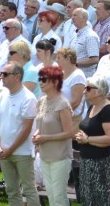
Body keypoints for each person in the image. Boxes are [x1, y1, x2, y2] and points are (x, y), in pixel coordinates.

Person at [0, 62, 41, 206]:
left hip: (22, 153)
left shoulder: (28, 98)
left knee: (29, 190)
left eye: (5, 74)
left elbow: (26, 129)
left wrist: (10, 149)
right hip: (4, 151)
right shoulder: (1, 96)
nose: (1, 77)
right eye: (2, 73)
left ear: (17, 76)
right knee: (11, 190)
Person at [33, 65, 75, 206]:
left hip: (60, 156)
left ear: (55, 82)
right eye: (39, 79)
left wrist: (45, 138)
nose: (40, 82)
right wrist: (37, 135)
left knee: (58, 196)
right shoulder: (41, 102)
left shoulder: (62, 104)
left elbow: (69, 132)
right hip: (45, 155)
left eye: (44, 79)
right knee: (51, 195)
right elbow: (41, 125)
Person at [74, 76, 110, 206]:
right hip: (87, 161)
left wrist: (87, 140)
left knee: (100, 200)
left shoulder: (108, 110)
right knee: (87, 199)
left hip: (101, 163)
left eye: (87, 88)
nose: (84, 92)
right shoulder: (92, 107)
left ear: (99, 91)